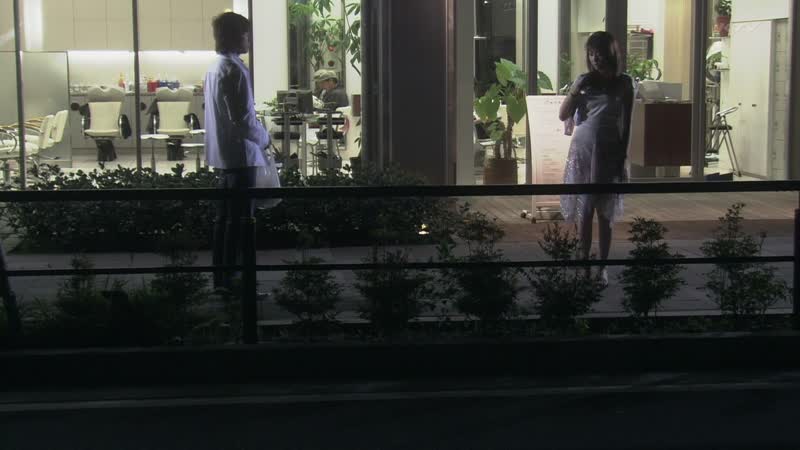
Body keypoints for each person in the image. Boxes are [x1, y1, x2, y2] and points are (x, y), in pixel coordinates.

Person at [558, 31, 635, 285]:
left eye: (599, 53)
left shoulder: (624, 83)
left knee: (605, 211)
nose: (595, 59)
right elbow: (563, 114)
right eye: (591, 54)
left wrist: (623, 158)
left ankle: (602, 267)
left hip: (608, 150)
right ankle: (584, 265)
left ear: (611, 53)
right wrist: (575, 90)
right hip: (583, 148)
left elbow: (627, 124)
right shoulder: (584, 81)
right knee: (585, 209)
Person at [204, 12, 270, 289]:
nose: (249, 40)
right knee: (242, 221)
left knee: (224, 220)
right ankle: (235, 282)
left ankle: (222, 278)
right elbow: (243, 120)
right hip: (242, 156)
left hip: (224, 155)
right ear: (235, 36)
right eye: (246, 34)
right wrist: (265, 138)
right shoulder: (234, 70)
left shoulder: (215, 67)